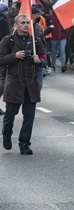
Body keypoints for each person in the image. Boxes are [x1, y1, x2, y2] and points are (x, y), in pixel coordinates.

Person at [1, 15, 47, 154]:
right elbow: (1, 59)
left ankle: (24, 144)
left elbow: (45, 60)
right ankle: (6, 135)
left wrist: (38, 60)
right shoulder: (8, 41)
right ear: (16, 25)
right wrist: (14, 56)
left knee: (29, 116)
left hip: (31, 84)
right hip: (14, 84)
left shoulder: (35, 41)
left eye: (28, 23)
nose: (26, 25)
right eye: (23, 23)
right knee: (10, 115)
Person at [50, 9, 69, 73]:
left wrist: (65, 31)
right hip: (54, 37)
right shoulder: (51, 16)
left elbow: (67, 25)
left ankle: (63, 65)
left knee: (62, 51)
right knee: (54, 52)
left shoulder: (63, 16)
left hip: (62, 37)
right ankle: (53, 65)